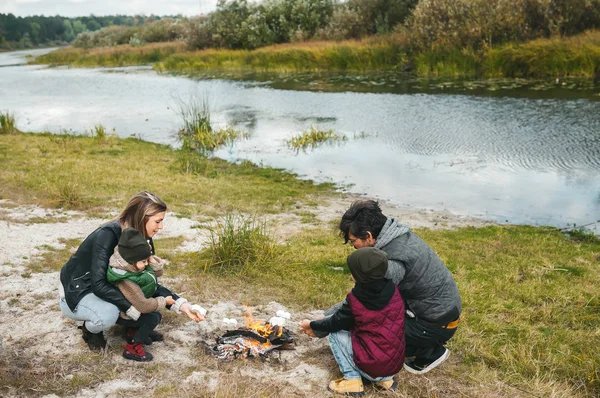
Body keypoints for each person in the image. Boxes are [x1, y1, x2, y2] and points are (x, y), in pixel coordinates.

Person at [59, 191, 200, 351]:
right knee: (108, 314)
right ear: (142, 217)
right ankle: (90, 330)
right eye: (158, 221)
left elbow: (146, 280)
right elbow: (98, 283)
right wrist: (130, 309)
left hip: (110, 284)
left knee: (138, 290)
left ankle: (131, 327)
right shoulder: (107, 234)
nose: (161, 227)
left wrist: (181, 304)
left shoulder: (141, 237)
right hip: (79, 290)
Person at [337, 200, 462, 374]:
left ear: (369, 236)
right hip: (443, 315)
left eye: (353, 241)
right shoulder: (398, 236)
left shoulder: (390, 262)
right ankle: (423, 343)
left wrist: (324, 320)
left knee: (365, 330)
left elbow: (361, 304)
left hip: (434, 325)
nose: (353, 247)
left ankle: (429, 352)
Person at [300, 247, 405, 397]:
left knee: (335, 334)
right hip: (393, 365)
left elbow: (334, 323)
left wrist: (311, 324)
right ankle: (385, 381)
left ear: (360, 276)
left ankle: (352, 381)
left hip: (373, 366)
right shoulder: (394, 290)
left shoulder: (357, 299)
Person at [107, 227, 204, 361]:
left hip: (135, 307)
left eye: (146, 260)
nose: (146, 264)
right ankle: (132, 348)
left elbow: (156, 273)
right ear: (131, 260)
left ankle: (133, 332)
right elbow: (142, 305)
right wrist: (163, 302)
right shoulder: (126, 279)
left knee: (153, 312)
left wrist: (149, 257)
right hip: (126, 313)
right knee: (153, 317)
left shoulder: (134, 266)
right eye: (144, 261)